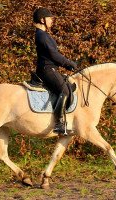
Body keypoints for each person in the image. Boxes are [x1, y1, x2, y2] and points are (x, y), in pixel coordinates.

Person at [33, 7, 77, 135]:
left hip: (51, 68)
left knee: (68, 86)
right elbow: (54, 55)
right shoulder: (41, 36)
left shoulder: (44, 35)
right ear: (42, 20)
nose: (52, 20)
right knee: (64, 90)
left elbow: (54, 55)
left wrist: (68, 65)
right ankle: (59, 123)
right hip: (47, 69)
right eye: (49, 18)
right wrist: (69, 63)